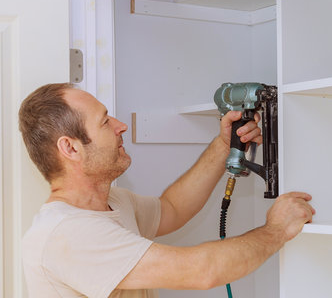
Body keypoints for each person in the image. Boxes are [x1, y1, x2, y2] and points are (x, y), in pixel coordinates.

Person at [19, 83, 315, 298]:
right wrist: (276, 230)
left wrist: (223, 144)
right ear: (70, 148)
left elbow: (172, 209)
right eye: (105, 121)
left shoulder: (111, 203)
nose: (120, 126)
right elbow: (202, 270)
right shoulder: (67, 233)